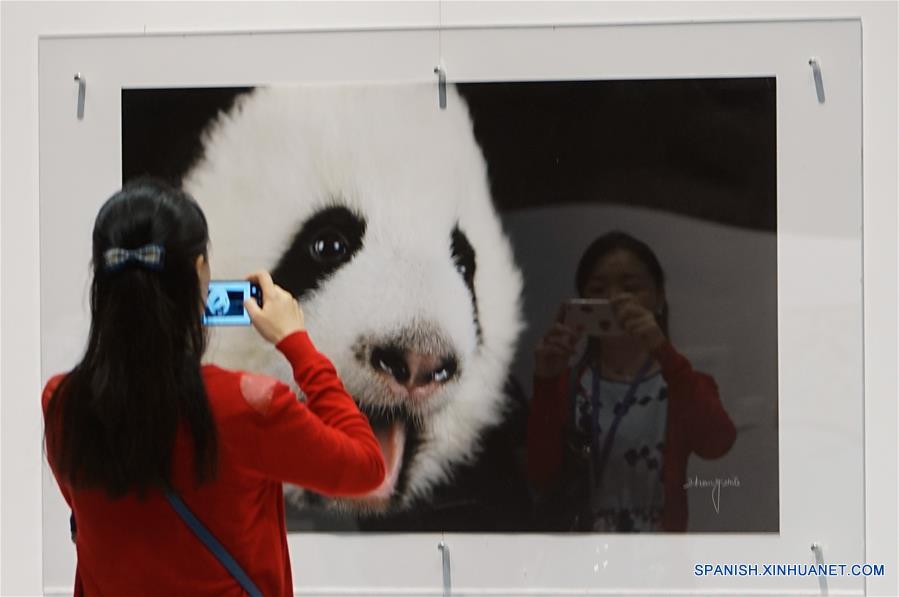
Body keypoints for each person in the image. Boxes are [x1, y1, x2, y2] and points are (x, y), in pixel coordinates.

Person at [42, 178, 385, 596]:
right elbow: (366, 467)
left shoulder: (62, 404)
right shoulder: (248, 406)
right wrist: (298, 346)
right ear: (200, 272)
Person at [526, 231, 736, 532]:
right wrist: (546, 381)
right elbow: (540, 475)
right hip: (583, 560)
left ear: (659, 298)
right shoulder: (569, 386)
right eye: (598, 289)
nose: (614, 299)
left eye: (630, 287)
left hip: (661, 560)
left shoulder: (681, 382)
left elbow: (718, 444)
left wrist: (662, 350)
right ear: (583, 302)